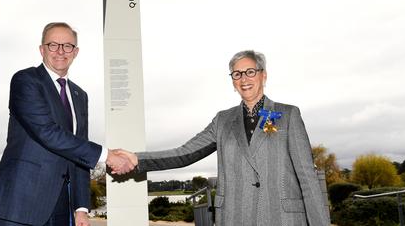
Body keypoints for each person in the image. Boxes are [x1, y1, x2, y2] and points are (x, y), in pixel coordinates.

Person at [117, 50, 330, 226]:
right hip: (235, 216)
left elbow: (307, 179)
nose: (243, 79)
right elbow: (184, 153)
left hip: (283, 218)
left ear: (263, 75)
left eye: (249, 72)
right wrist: (137, 159)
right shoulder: (223, 121)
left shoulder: (288, 115)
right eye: (236, 74)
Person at [0, 22, 133, 226]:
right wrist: (108, 156)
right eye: (53, 45)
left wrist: (81, 209)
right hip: (18, 202)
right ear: (42, 49)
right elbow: (47, 132)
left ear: (75, 52)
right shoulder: (25, 80)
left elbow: (79, 153)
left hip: (60, 206)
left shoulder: (80, 95)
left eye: (67, 46)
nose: (60, 51)